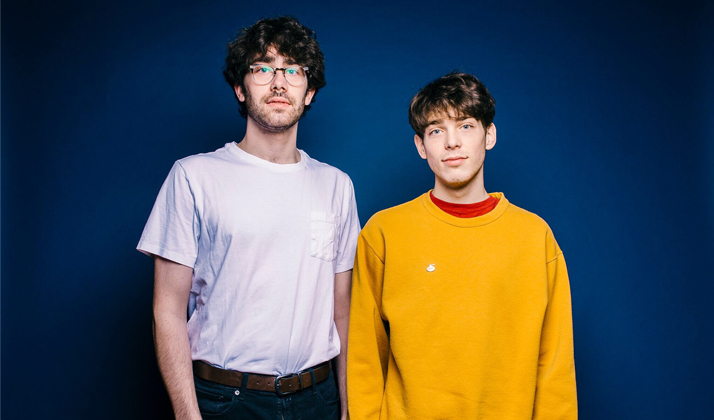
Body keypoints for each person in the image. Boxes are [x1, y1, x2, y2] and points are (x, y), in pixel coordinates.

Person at [138, 16, 360, 420]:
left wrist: (348, 407)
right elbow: (166, 310)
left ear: (309, 91)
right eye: (262, 69)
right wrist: (188, 415)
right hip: (227, 400)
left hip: (318, 399)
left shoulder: (336, 185)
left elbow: (342, 310)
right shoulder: (193, 176)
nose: (279, 83)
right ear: (241, 88)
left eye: (293, 70)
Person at [347, 72, 577, 419]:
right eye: (436, 130)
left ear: (489, 135)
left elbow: (555, 364)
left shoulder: (535, 237)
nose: (452, 142)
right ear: (421, 146)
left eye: (466, 126)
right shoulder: (383, 233)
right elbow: (364, 357)